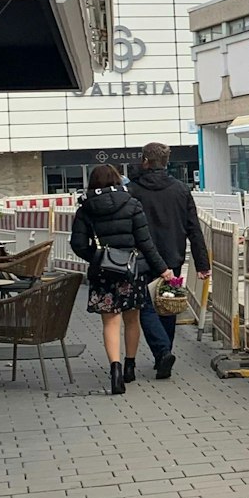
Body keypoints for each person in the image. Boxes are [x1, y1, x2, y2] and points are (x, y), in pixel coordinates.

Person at [70, 163, 173, 396]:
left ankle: (114, 370)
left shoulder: (86, 208)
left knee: (110, 322)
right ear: (118, 180)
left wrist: (98, 257)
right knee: (132, 320)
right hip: (131, 271)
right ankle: (129, 366)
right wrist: (163, 269)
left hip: (104, 273)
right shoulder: (132, 204)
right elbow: (146, 243)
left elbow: (77, 244)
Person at [129, 143, 211, 379]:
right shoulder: (181, 190)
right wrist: (202, 264)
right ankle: (165, 353)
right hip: (172, 256)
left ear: (145, 161)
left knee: (145, 305)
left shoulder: (133, 190)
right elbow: (193, 229)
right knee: (167, 305)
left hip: (141, 257)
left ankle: (162, 351)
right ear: (166, 162)